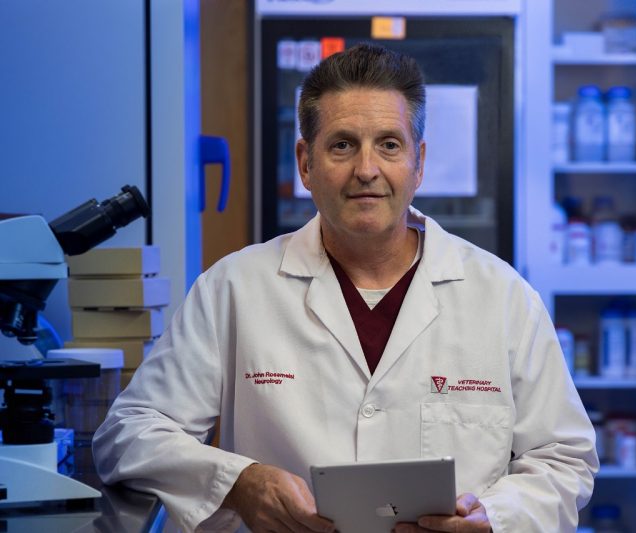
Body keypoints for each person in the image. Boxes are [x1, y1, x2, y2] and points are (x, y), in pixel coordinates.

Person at [93, 43, 598, 532]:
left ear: (418, 163)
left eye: (389, 144)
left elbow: (564, 458)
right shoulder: (233, 289)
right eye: (342, 145)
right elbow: (128, 434)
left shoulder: (503, 297)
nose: (367, 169)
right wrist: (239, 484)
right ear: (305, 164)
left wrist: (495, 520)